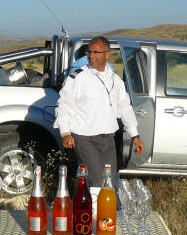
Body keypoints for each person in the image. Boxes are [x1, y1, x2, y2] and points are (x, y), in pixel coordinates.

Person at [54, 36, 144, 187]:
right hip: (85, 139)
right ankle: (92, 210)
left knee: (109, 183)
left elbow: (124, 107)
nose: (91, 56)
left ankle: (101, 211)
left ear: (107, 55)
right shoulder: (78, 77)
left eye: (96, 52)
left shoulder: (115, 79)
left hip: (108, 140)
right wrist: (65, 132)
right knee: (96, 181)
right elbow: (64, 104)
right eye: (89, 52)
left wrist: (135, 135)